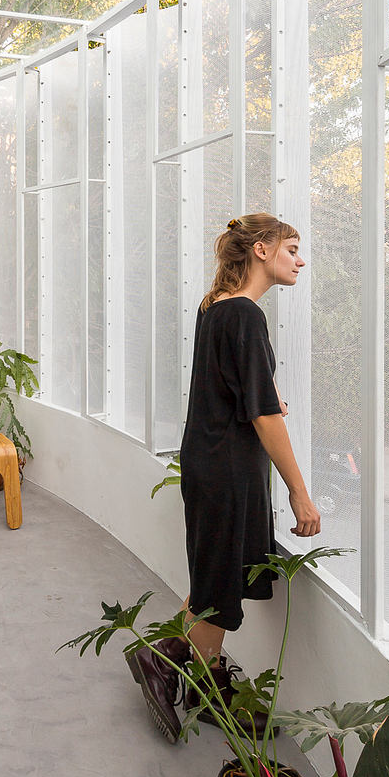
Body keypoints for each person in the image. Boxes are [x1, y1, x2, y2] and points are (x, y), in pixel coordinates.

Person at [129, 213, 321, 742]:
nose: (300, 260)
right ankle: (166, 662)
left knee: (219, 575)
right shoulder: (244, 315)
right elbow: (263, 415)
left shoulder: (214, 307)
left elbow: (234, 386)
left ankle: (200, 683)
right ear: (261, 250)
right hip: (228, 468)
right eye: (291, 249)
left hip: (210, 460)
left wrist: (265, 395)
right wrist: (300, 494)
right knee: (219, 584)